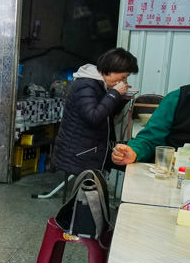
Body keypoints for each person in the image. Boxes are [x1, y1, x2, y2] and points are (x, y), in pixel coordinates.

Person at [52, 48, 138, 176]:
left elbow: (106, 114)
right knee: (86, 187)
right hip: (79, 153)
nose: (124, 82)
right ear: (111, 70)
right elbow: (93, 117)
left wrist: (121, 98)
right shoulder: (86, 84)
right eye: (123, 77)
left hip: (92, 148)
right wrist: (114, 93)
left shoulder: (101, 84)